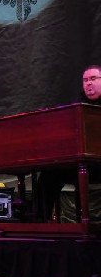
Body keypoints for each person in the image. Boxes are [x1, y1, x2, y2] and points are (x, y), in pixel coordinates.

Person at [36, 65, 101, 222]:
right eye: (85, 80)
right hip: (82, 161)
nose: (88, 83)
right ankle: (41, 225)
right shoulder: (77, 106)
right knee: (47, 176)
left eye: (93, 79)